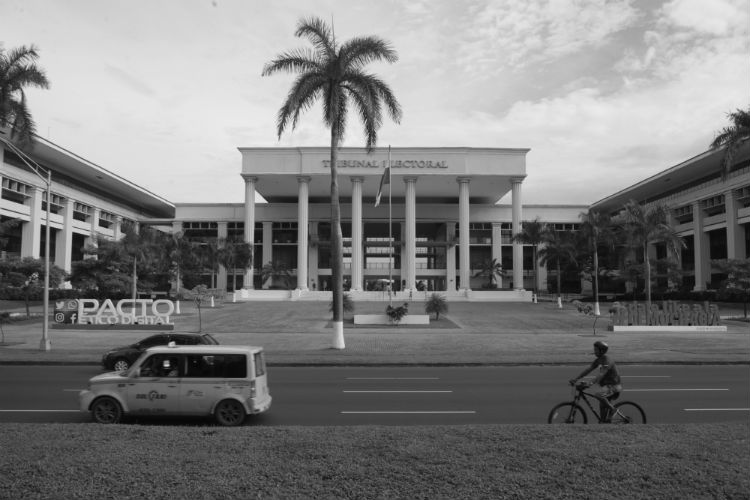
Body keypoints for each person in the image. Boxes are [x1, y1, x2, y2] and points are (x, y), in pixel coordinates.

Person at [569, 341, 622, 422]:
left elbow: (601, 374)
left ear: (602, 351)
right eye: (594, 349)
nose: (594, 351)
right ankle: (604, 424)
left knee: (598, 395)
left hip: (614, 386)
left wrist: (590, 383)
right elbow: (588, 370)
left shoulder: (607, 360)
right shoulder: (598, 360)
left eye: (596, 350)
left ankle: (613, 410)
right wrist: (576, 379)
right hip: (606, 386)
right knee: (602, 409)